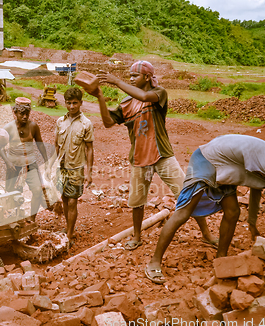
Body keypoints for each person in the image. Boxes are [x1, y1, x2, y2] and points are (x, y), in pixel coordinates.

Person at [146, 135, 265, 284]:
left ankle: (221, 258)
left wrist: (252, 222)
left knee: (233, 211)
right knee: (183, 213)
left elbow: (257, 186)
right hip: (207, 159)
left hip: (226, 164)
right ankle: (154, 261)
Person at [90, 60, 217, 251]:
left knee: (187, 194)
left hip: (162, 155)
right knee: (137, 202)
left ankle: (206, 235)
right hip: (139, 159)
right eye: (129, 76)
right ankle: (137, 237)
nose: (131, 79)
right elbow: (108, 122)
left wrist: (116, 81)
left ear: (147, 77)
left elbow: (143, 95)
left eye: (135, 75)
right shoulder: (126, 104)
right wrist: (100, 96)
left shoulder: (159, 94)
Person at [47, 87, 94, 241]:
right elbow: (56, 146)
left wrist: (89, 173)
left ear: (81, 103)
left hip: (76, 168)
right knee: (65, 198)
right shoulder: (60, 121)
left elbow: (89, 149)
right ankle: (69, 228)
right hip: (62, 167)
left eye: (75, 103)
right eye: (69, 103)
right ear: (65, 103)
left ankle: (69, 233)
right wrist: (50, 166)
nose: (72, 106)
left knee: (73, 200)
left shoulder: (86, 124)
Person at [0, 97, 49, 221]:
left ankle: (32, 218)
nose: (25, 117)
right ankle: (11, 218)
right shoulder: (8, 128)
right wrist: (7, 161)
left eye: (27, 113)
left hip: (30, 165)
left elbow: (40, 145)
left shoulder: (33, 126)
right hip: (13, 166)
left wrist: (47, 162)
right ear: (15, 112)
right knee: (10, 194)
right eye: (22, 113)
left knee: (38, 191)